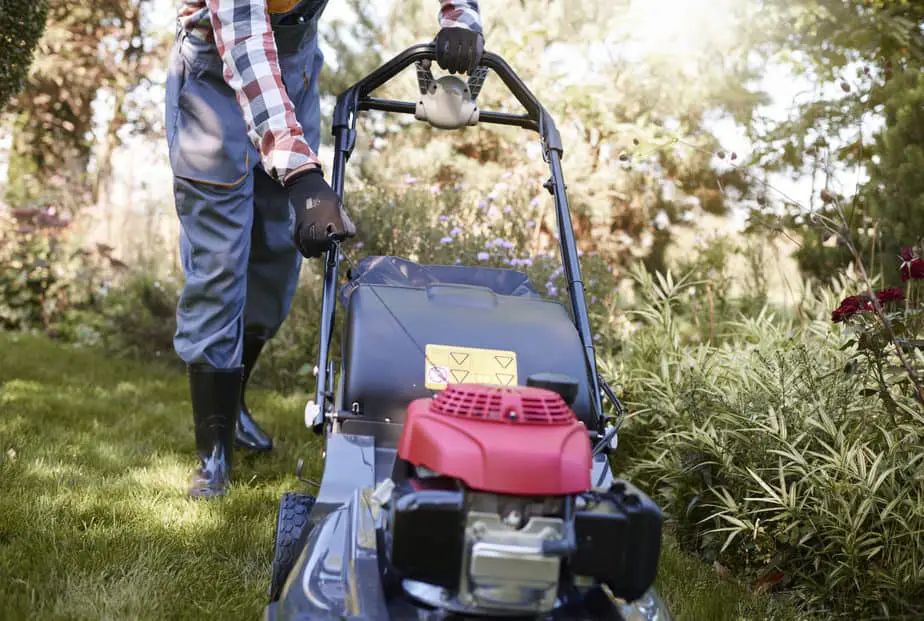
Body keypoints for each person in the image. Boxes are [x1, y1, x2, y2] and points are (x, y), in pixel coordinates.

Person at [165, 0, 485, 498]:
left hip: (292, 75)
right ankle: (214, 454)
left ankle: (235, 402)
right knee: (220, 264)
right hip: (216, 80)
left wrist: (460, 17)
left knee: (275, 258)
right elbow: (246, 43)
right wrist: (303, 177)